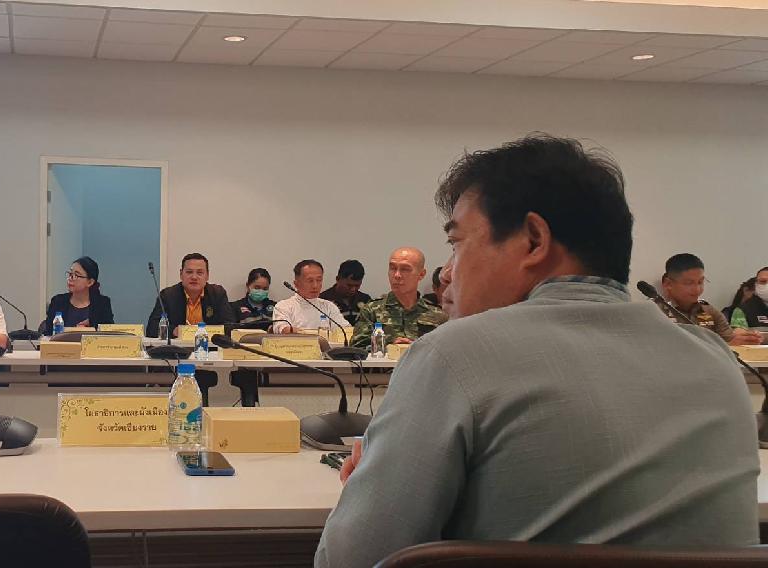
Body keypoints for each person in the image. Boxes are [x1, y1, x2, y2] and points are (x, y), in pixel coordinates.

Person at [315, 135, 758, 567]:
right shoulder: (716, 362)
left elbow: (350, 559)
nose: (448, 273)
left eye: (456, 244)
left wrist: (364, 490)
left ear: (532, 240)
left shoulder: (450, 356)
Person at [655, 254, 761, 346]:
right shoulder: (656, 311)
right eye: (689, 283)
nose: (697, 289)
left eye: (700, 282)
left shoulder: (709, 310)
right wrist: (726, 346)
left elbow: (729, 339)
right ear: (668, 284)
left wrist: (745, 339)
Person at [351, 247, 447, 346]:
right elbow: (357, 348)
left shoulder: (438, 315)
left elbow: (446, 350)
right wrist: (388, 347)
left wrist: (418, 348)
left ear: (421, 274)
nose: (397, 275)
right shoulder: (372, 311)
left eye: (405, 269)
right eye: (393, 268)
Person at [144, 253, 235, 338]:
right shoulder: (168, 296)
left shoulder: (217, 294)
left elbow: (230, 327)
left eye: (199, 273)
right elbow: (152, 329)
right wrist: (174, 331)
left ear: (207, 276)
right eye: (189, 272)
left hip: (209, 347)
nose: (194, 277)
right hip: (178, 348)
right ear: (181, 274)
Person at [272, 260, 350, 334]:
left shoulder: (328, 306)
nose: (315, 285)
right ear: (296, 284)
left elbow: (346, 331)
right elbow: (284, 330)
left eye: (319, 280)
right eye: (310, 281)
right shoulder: (283, 306)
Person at [40, 256, 114, 333]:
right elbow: (48, 333)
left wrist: (92, 325)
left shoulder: (102, 304)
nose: (70, 278)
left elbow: (109, 333)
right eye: (70, 274)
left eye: (76, 275)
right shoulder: (58, 301)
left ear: (90, 282)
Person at [319, 260, 374, 325]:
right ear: (338, 279)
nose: (353, 289)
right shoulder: (323, 300)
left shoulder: (365, 300)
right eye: (349, 285)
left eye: (357, 285)